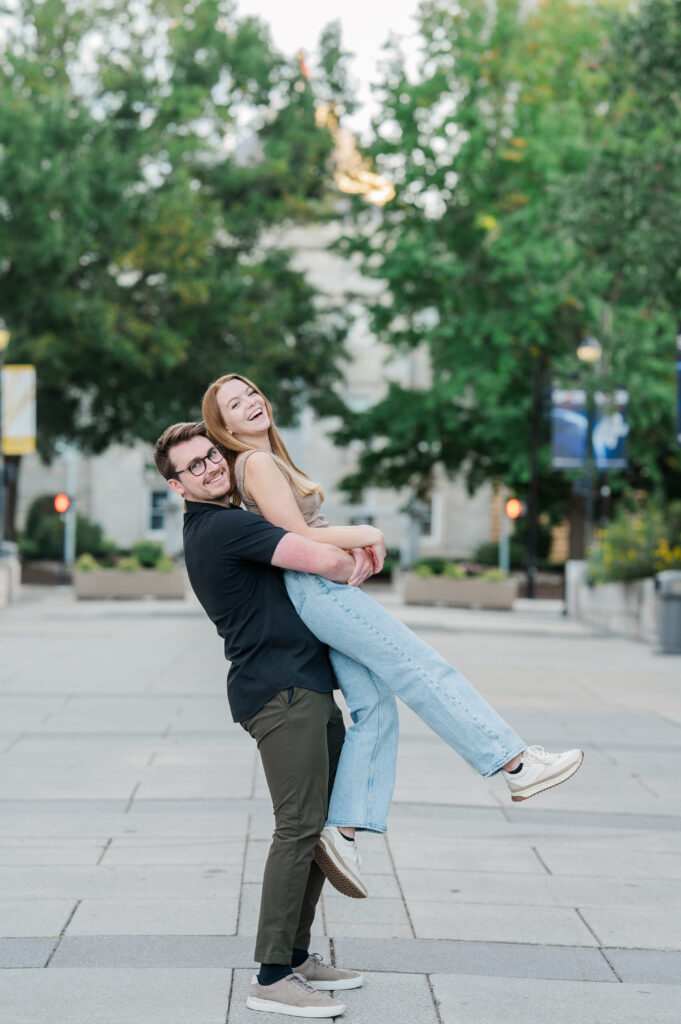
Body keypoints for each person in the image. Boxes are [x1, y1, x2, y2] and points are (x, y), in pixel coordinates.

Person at [202, 373, 584, 898]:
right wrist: (369, 534)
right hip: (318, 591)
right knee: (419, 666)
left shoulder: (269, 458)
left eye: (250, 392)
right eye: (234, 403)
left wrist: (349, 547)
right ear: (222, 425)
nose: (249, 402)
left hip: (315, 591)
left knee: (376, 704)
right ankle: (514, 763)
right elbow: (298, 535)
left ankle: (343, 832)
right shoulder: (255, 462)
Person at [154, 421, 366, 1018]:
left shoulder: (227, 520)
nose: (210, 467)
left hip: (303, 682)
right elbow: (324, 559)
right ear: (177, 486)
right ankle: (271, 977)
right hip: (281, 692)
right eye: (194, 466)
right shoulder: (224, 527)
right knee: (298, 827)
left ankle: (296, 955)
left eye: (211, 455)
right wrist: (366, 542)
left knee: (319, 826)